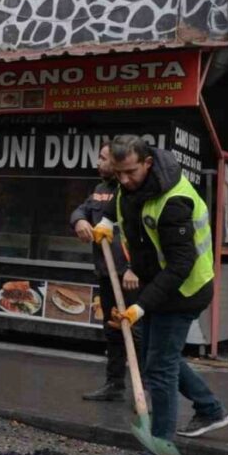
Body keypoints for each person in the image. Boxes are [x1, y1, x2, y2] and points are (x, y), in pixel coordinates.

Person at [93, 135, 228, 455]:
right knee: (159, 357)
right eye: (118, 173)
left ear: (148, 163)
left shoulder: (174, 203)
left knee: (160, 367)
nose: (124, 180)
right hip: (157, 283)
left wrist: (140, 307)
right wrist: (106, 221)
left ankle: (160, 453)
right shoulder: (131, 182)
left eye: (130, 172)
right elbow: (122, 198)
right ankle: (211, 410)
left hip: (184, 290)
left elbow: (181, 265)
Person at [70, 142, 136, 402]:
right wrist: (80, 220)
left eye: (103, 158)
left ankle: (148, 391)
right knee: (112, 330)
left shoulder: (131, 189)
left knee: (139, 333)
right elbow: (82, 209)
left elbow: (142, 235)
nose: (98, 162)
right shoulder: (100, 190)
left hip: (131, 277)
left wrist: (132, 268)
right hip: (107, 272)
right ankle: (114, 384)